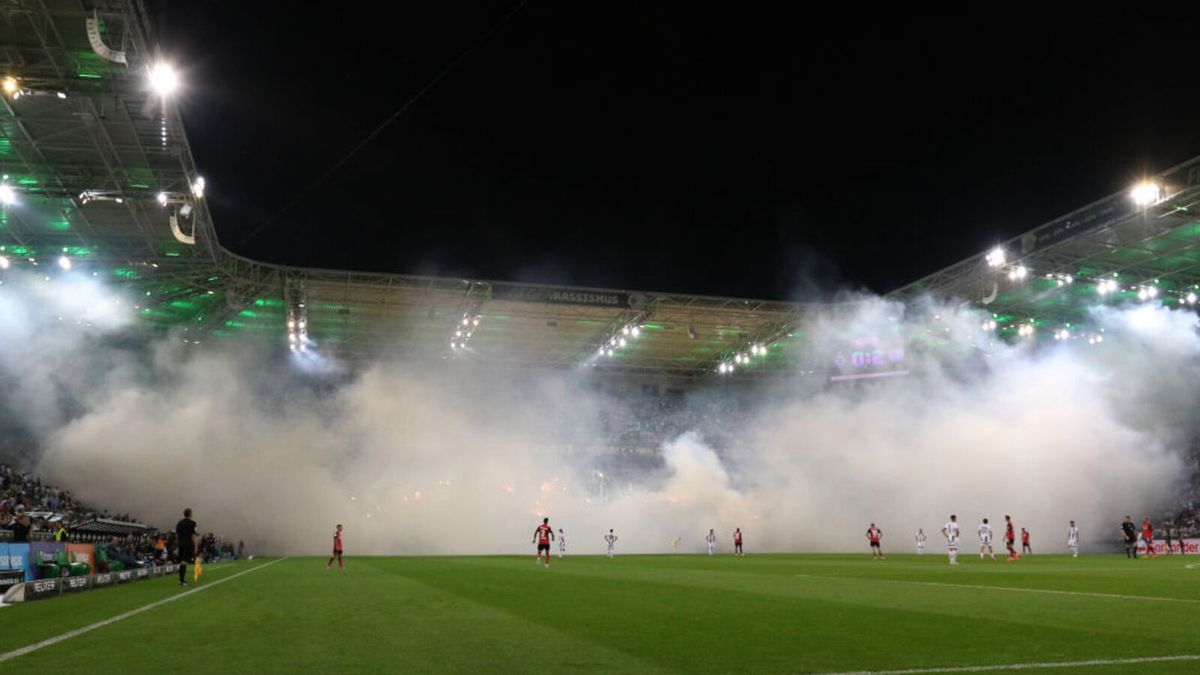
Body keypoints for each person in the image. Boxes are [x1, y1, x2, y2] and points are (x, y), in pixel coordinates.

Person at [176, 507, 199, 587]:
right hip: (188, 544)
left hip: (181, 544)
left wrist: (178, 544)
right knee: (184, 561)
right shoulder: (192, 523)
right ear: (190, 514)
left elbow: (177, 535)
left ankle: (181, 579)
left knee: (182, 561)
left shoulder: (179, 523)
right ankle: (182, 581)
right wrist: (196, 546)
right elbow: (193, 535)